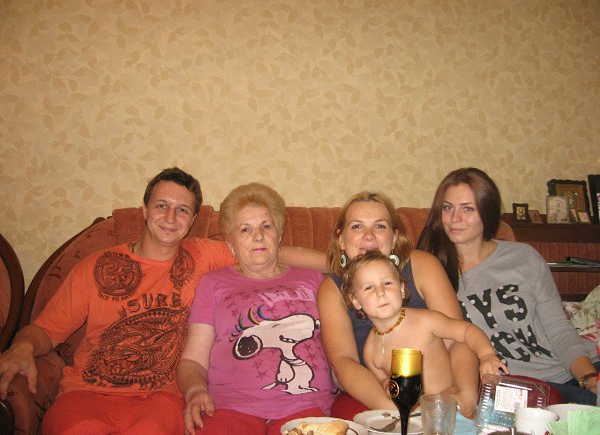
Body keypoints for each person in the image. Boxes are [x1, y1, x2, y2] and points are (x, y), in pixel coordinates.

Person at [0, 168, 325, 435]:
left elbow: (268, 252)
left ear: (192, 219)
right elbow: (46, 329)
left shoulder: (204, 256)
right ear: (144, 211)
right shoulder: (98, 266)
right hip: (86, 394)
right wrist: (23, 347)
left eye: (182, 209)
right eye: (161, 206)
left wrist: (344, 263)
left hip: (159, 399)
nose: (171, 217)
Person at [417, 167, 600, 405]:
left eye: (468, 208)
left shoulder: (523, 257)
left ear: (488, 211)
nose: (454, 218)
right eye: (447, 207)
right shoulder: (430, 271)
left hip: (573, 368)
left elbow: (558, 329)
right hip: (516, 389)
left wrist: (589, 378)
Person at [177, 182, 336, 435]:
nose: (258, 236)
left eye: (266, 226)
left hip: (305, 403)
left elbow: (338, 344)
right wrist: (195, 391)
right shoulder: (213, 283)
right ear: (230, 243)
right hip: (231, 405)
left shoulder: (312, 279)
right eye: (245, 229)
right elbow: (193, 359)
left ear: (279, 235)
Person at [317, 191, 480, 420]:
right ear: (341, 239)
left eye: (380, 226)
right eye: (357, 227)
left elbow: (457, 339)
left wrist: (466, 396)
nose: (369, 236)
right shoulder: (332, 289)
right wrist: (392, 410)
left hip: (446, 393)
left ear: (394, 238)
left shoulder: (422, 265)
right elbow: (344, 363)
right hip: (378, 397)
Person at [342, 251, 508, 392]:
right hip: (414, 415)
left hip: (452, 406)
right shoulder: (370, 351)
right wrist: (387, 386)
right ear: (355, 300)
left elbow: (467, 331)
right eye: (369, 287)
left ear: (401, 289)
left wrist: (486, 355)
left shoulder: (425, 321)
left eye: (387, 283)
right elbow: (383, 383)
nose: (381, 292)